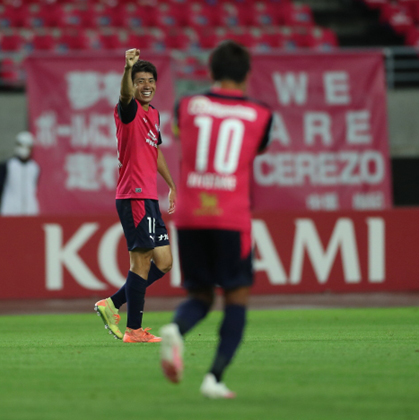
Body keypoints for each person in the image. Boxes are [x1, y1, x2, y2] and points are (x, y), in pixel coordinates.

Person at [158, 41, 273, 398]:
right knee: (236, 296)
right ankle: (214, 378)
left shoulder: (187, 105)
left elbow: (178, 134)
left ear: (210, 71)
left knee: (201, 294)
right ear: (247, 75)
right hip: (230, 216)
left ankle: (177, 328)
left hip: (191, 214)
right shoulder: (260, 113)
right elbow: (257, 148)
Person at [94, 49, 177, 343]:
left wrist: (171, 184)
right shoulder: (127, 109)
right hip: (134, 196)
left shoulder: (154, 113)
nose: (146, 84)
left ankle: (113, 303)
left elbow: (154, 151)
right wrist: (126, 69)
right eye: (139, 79)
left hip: (149, 197)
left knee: (164, 262)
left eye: (150, 80)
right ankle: (134, 330)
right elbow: (125, 96)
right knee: (140, 263)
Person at [0, 131, 40, 216]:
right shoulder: (8, 165)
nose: (24, 149)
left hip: (30, 210)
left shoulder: (35, 167)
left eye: (28, 146)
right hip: (10, 210)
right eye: (21, 145)